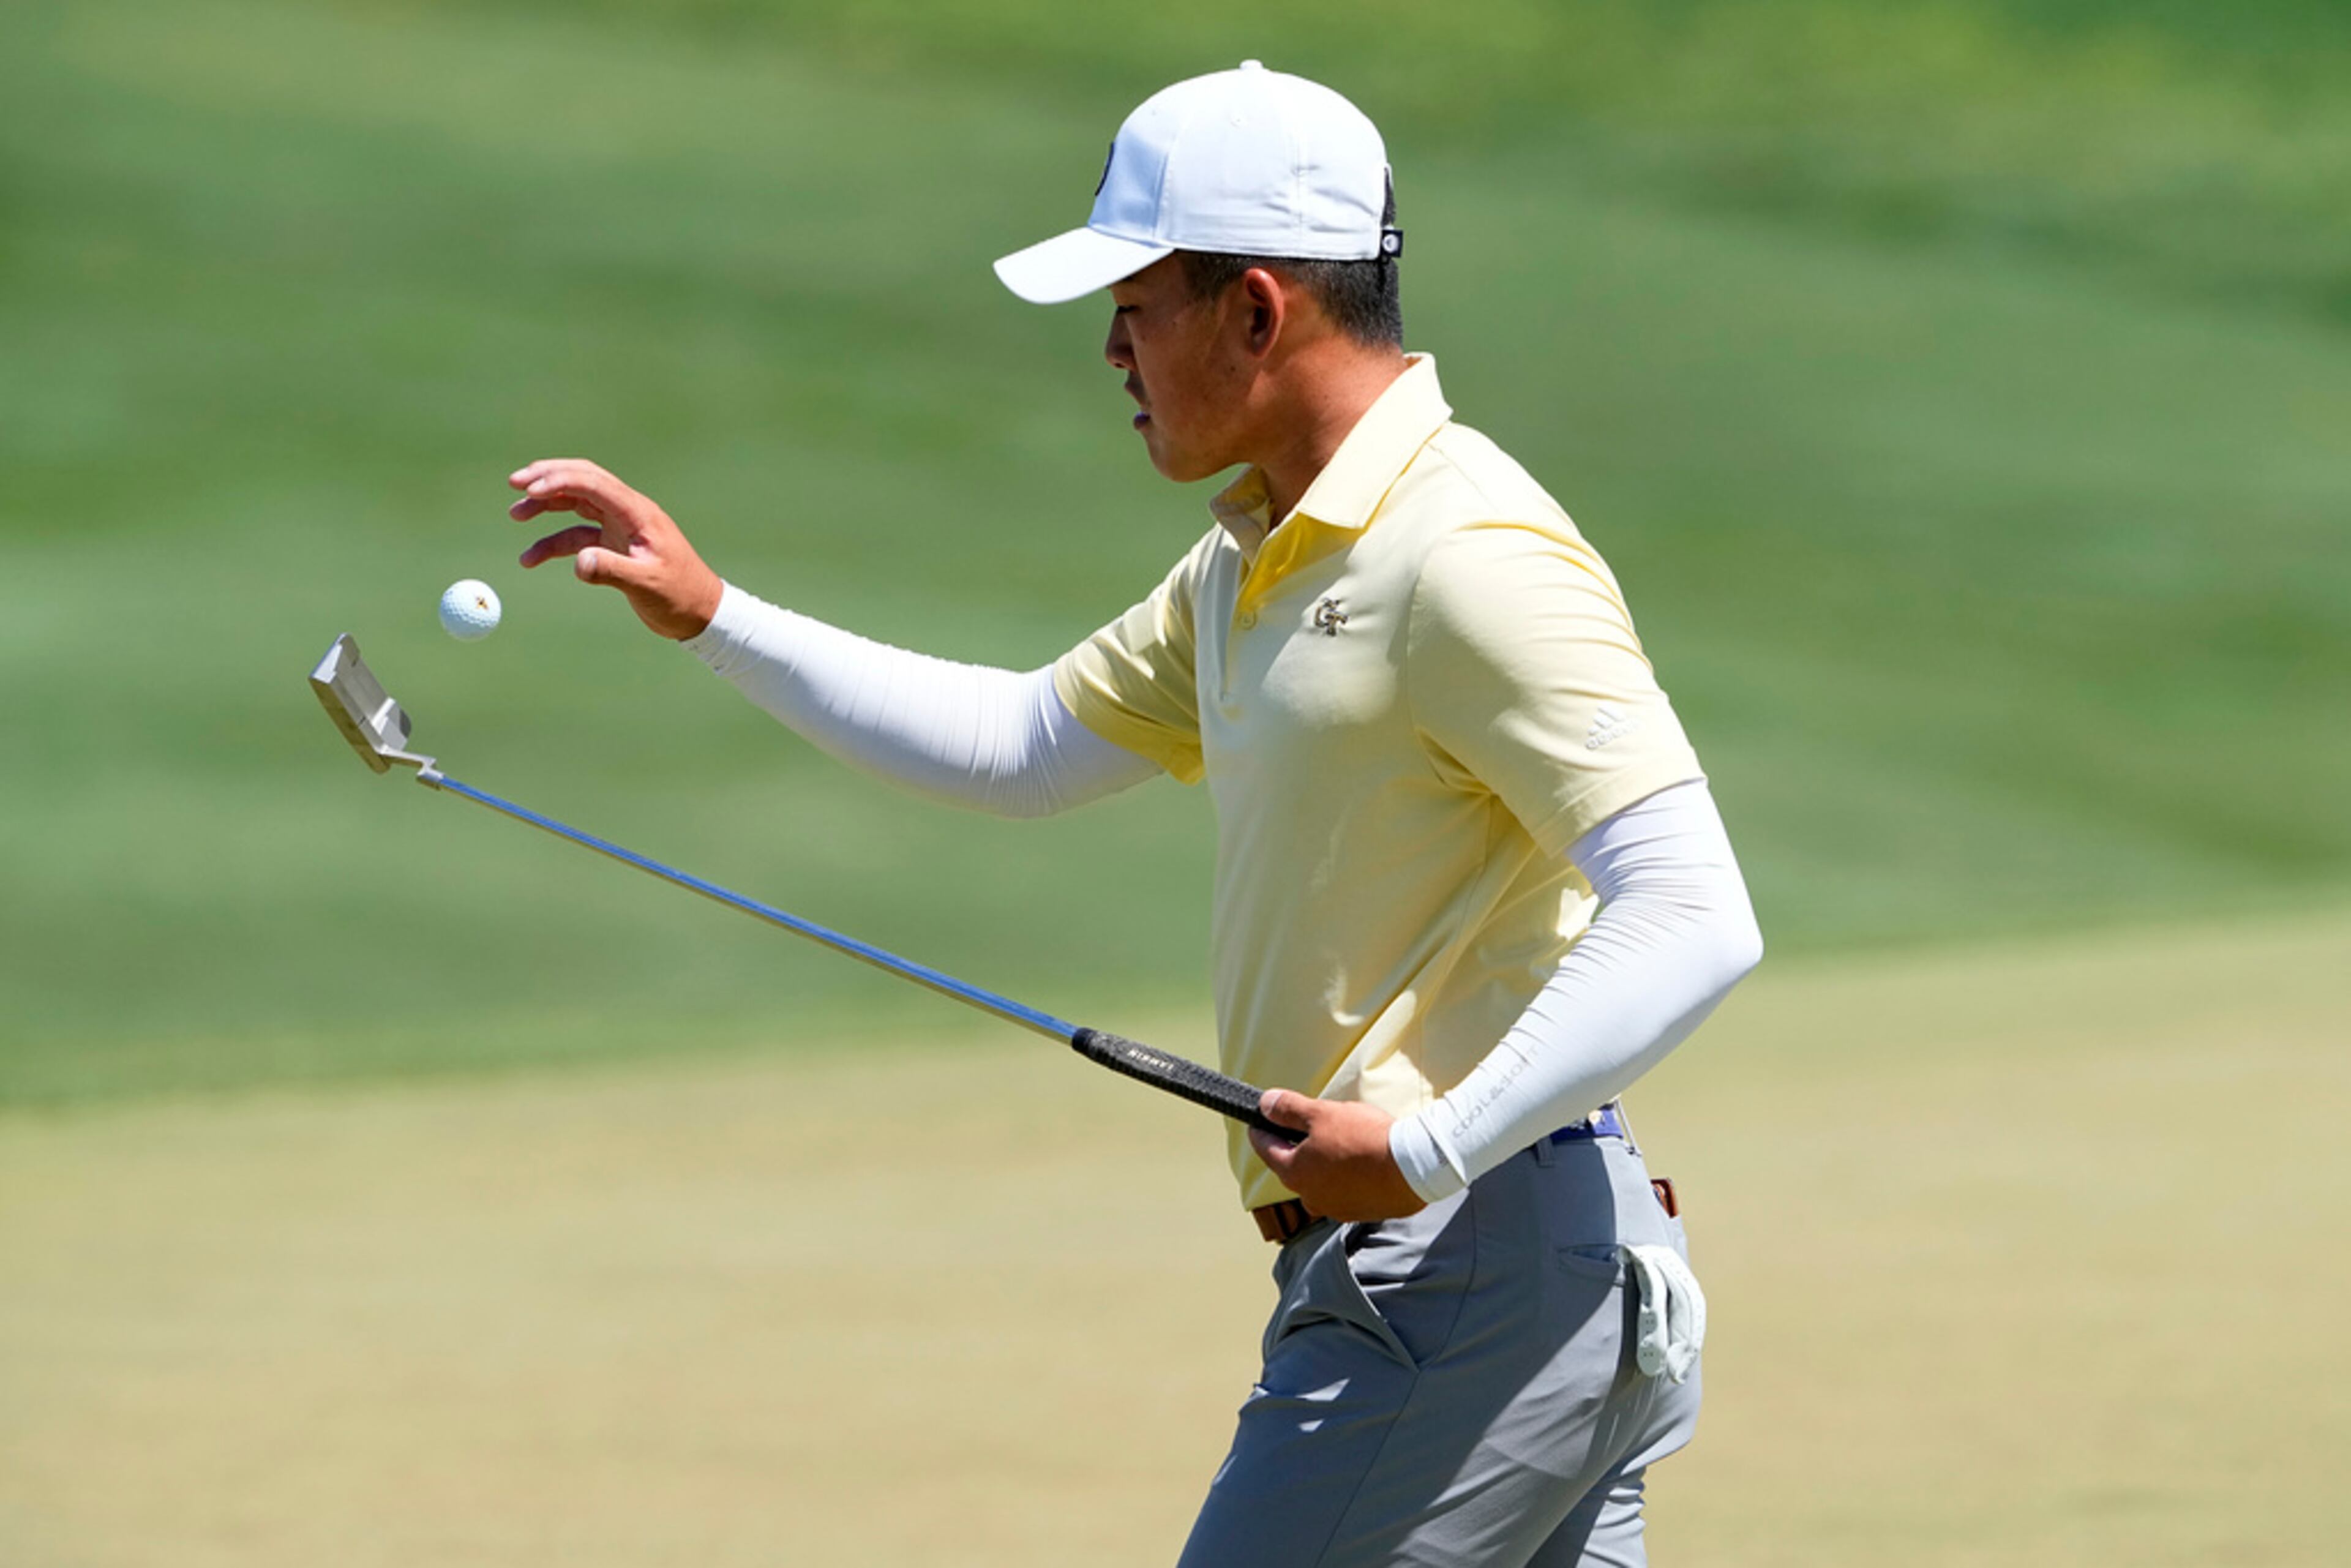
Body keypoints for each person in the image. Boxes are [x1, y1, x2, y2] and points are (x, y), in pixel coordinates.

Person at [508, 61, 1761, 1568]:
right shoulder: (1253, 562)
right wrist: (716, 617)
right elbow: (1024, 744)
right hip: (1503, 1272)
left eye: (1137, 303)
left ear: (1254, 309)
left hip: (1464, 1263)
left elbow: (1696, 908)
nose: (1110, 347)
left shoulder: (1463, 551)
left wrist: (1430, 1151)